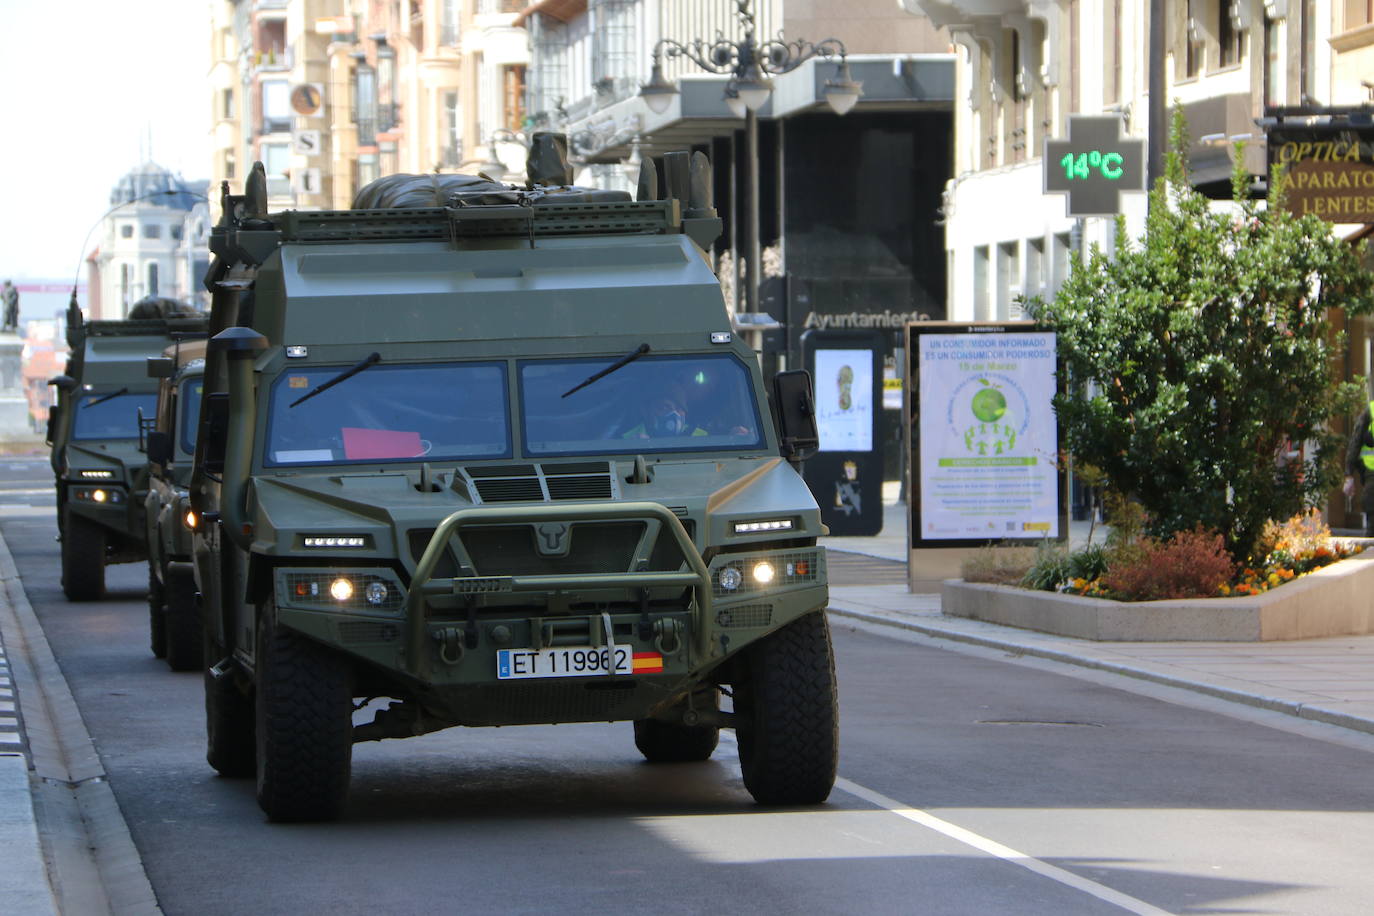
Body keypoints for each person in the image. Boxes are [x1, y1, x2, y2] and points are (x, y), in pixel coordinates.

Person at [1343, 400, 1374, 537]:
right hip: (1371, 469)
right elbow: (1356, 440)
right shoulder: (1371, 411)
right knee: (1371, 502)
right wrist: (1349, 474)